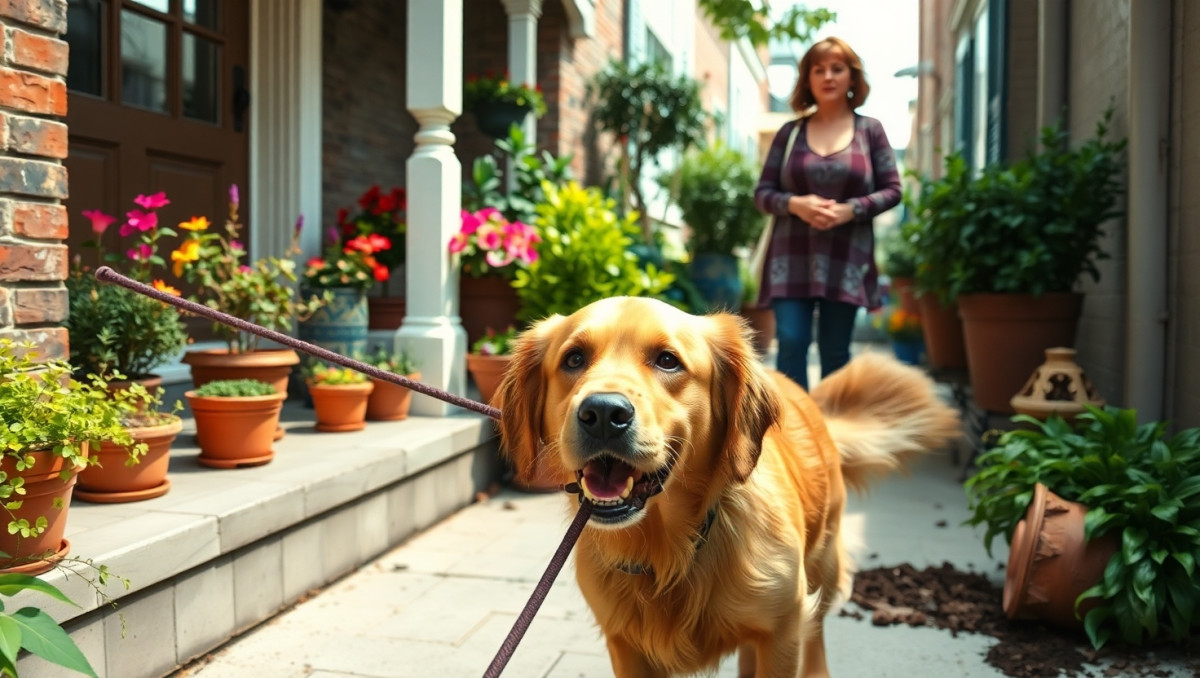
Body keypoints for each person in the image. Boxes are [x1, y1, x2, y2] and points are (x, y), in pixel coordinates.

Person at [753, 36, 902, 391]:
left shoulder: (871, 131)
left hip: (846, 258)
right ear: (807, 79)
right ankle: (795, 435)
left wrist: (852, 210)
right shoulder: (789, 133)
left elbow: (894, 190)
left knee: (835, 351)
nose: (828, 76)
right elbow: (762, 194)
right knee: (790, 343)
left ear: (853, 77)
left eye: (837, 68)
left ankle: (834, 434)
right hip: (791, 257)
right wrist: (795, 204)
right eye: (818, 70)